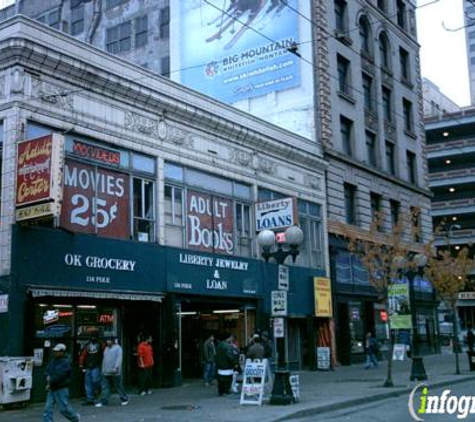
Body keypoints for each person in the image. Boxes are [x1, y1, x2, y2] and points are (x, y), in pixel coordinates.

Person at [43, 343, 80, 422]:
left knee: (63, 409)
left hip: (61, 388)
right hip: (53, 387)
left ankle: (75, 418)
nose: (55, 353)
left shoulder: (65, 362)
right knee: (47, 408)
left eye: (57, 351)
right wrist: (47, 377)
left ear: (62, 352)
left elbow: (59, 375)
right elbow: (47, 370)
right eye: (55, 351)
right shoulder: (53, 361)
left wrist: (49, 379)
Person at [95, 338, 128, 407]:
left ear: (112, 341)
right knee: (105, 387)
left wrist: (116, 367)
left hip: (114, 371)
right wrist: (103, 369)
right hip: (106, 371)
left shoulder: (118, 348)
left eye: (109, 340)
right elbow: (104, 359)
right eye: (107, 341)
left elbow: (119, 358)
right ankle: (104, 401)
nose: (108, 342)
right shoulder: (106, 349)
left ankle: (124, 399)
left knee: (118, 386)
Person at [79, 334, 103, 405]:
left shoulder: (101, 344)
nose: (93, 339)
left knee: (95, 380)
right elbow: (83, 355)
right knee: (88, 383)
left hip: (97, 365)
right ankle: (90, 399)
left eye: (94, 337)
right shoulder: (87, 346)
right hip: (89, 366)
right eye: (92, 337)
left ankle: (97, 393)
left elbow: (105, 353)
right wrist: (81, 365)